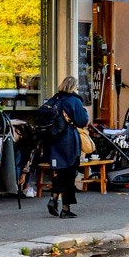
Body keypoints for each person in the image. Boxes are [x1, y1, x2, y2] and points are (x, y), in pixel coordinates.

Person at [42, 76, 89, 220]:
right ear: (74, 87)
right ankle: (65, 208)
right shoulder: (74, 101)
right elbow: (82, 121)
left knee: (61, 172)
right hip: (69, 140)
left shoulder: (54, 99)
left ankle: (54, 198)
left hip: (53, 141)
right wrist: (84, 112)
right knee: (70, 173)